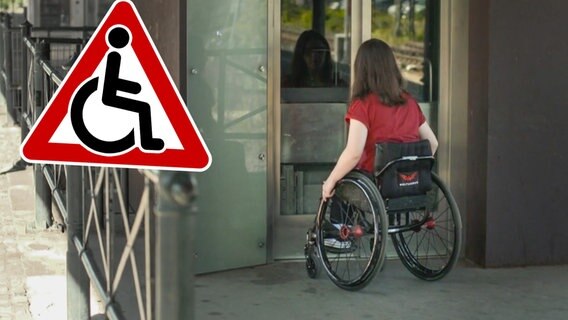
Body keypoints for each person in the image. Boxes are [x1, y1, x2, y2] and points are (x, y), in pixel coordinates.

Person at [322, 38, 438, 200]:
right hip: (410, 180)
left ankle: (340, 224)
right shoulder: (410, 102)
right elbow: (433, 143)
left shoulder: (362, 105)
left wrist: (331, 180)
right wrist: (410, 168)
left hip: (376, 182)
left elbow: (354, 153)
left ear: (361, 70)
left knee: (339, 183)